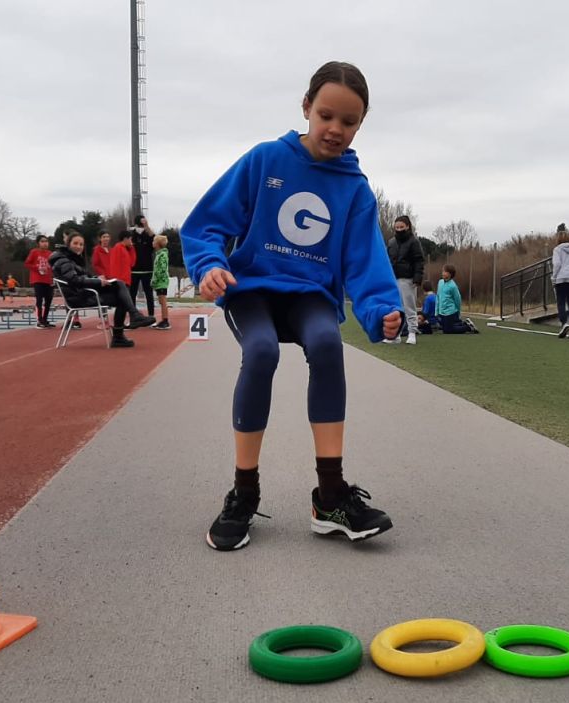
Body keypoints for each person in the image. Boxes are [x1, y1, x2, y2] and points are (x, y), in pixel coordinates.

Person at [181, 60, 402, 552]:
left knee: (327, 344)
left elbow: (365, 261)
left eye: (349, 122)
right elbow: (206, 223)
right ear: (306, 108)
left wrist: (381, 310)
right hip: (254, 288)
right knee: (261, 352)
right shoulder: (265, 160)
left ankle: (331, 496)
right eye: (326, 115)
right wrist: (209, 265)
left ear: (360, 125)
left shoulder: (355, 188)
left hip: (309, 295)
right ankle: (243, 491)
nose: (335, 129)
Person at [49, 231, 155, 347]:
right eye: (75, 243)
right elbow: (75, 280)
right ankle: (122, 331)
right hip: (78, 298)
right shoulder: (64, 260)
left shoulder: (72, 259)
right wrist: (98, 281)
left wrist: (96, 278)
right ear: (68, 244)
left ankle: (132, 318)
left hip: (83, 293)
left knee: (119, 285)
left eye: (81, 244)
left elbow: (82, 277)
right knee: (122, 296)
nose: (79, 247)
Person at [385, 215, 425, 345]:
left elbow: (419, 260)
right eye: (396, 227)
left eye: (401, 227)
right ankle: (396, 335)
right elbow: (387, 259)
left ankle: (412, 332)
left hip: (407, 279)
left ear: (408, 227)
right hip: (392, 278)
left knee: (409, 307)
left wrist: (417, 277)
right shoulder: (391, 242)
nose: (399, 229)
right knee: (395, 308)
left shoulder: (414, 242)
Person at [436, 264, 479, 334]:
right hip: (442, 312)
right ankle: (462, 323)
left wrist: (458, 311)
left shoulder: (453, 286)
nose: (443, 273)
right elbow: (438, 296)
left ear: (450, 274)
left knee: (447, 331)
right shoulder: (440, 282)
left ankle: (468, 327)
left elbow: (457, 299)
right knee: (443, 327)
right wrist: (437, 311)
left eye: (445, 272)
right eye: (443, 271)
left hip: (450, 311)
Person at [129, 215, 157, 318]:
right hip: (134, 270)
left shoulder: (148, 234)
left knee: (148, 294)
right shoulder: (131, 235)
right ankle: (134, 316)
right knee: (132, 294)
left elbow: (155, 239)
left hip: (147, 270)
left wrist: (147, 226)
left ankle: (150, 316)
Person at [25, 234, 56, 328]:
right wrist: (37, 267)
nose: (45, 243)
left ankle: (45, 319)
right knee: (39, 300)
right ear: (38, 243)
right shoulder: (34, 252)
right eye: (42, 241)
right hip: (38, 279)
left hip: (48, 280)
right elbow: (27, 264)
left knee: (48, 300)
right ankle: (39, 320)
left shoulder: (51, 253)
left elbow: (54, 266)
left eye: (46, 241)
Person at [150, 233, 172, 330]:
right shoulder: (158, 254)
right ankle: (164, 319)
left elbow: (161, 269)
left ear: (158, 244)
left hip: (161, 281)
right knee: (160, 301)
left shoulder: (162, 255)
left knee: (163, 301)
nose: (152, 243)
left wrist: (155, 279)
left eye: (154, 241)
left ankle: (165, 321)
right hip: (159, 282)